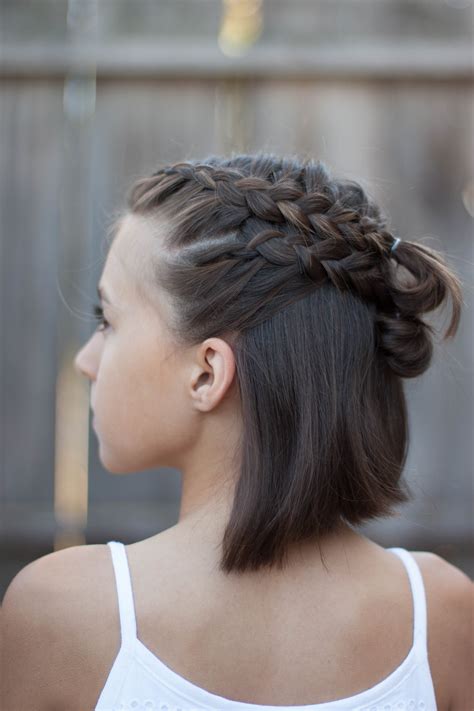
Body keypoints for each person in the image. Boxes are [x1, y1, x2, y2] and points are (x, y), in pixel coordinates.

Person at [2, 153, 472, 710]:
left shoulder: (66, 612)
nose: (87, 359)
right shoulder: (442, 615)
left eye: (108, 321)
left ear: (207, 372)